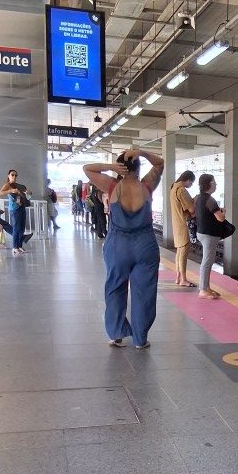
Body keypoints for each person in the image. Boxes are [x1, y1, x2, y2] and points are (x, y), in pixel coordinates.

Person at [83, 147, 164, 348]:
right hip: (145, 245)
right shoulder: (147, 185)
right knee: (144, 291)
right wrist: (142, 152)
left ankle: (117, 333)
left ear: (120, 168)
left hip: (117, 245)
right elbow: (160, 163)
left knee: (115, 287)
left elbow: (87, 168)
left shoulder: (112, 186)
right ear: (138, 167)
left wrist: (111, 166)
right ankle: (140, 339)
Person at [195, 173, 226, 299]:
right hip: (209, 234)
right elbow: (220, 218)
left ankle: (206, 287)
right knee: (207, 262)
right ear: (209, 184)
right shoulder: (210, 200)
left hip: (201, 232)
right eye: (214, 182)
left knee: (208, 260)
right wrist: (223, 212)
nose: (216, 184)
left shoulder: (198, 197)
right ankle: (203, 289)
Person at [169, 171, 197, 287]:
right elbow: (191, 209)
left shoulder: (173, 188)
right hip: (183, 224)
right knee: (184, 253)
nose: (191, 185)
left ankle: (178, 277)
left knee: (179, 252)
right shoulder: (182, 190)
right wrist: (195, 199)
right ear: (188, 180)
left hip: (177, 224)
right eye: (191, 182)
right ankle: (183, 279)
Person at [0, 169, 33, 254]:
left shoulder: (19, 185)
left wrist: (29, 192)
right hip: (14, 208)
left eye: (15, 175)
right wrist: (10, 191)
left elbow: (28, 194)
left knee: (22, 227)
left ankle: (19, 246)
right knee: (16, 227)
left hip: (22, 206)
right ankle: (15, 246)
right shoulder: (7, 185)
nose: (14, 176)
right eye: (12, 175)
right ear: (8, 176)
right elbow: (0, 193)